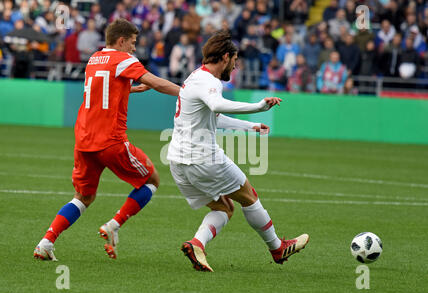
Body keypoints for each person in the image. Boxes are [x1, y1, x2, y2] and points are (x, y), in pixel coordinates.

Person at [33, 19, 180, 261]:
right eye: (132, 43)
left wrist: (129, 89)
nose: (134, 48)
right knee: (151, 180)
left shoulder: (94, 58)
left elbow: (103, 88)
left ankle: (46, 242)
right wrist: (186, 92)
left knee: (83, 197)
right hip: (109, 140)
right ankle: (114, 225)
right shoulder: (124, 60)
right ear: (121, 41)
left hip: (84, 139)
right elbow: (155, 82)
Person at [167, 30, 309, 272]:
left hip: (178, 162)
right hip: (203, 157)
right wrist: (259, 106)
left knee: (224, 208)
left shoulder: (194, 78)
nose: (236, 65)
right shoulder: (209, 82)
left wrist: (249, 126)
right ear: (225, 57)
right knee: (249, 195)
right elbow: (216, 104)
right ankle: (277, 248)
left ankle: (196, 244)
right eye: (234, 60)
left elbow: (214, 116)